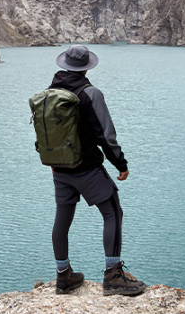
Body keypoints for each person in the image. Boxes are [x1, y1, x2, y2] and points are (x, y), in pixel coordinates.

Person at [47, 44, 146, 297]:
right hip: (87, 168)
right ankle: (113, 276)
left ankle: (63, 276)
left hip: (59, 169)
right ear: (86, 68)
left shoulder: (50, 92)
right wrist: (121, 165)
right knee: (113, 211)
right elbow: (106, 135)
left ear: (65, 65)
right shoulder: (90, 93)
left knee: (63, 217)